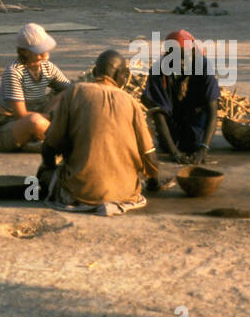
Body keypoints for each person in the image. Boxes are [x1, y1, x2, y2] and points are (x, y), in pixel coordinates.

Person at [39, 50, 162, 216]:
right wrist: (153, 182)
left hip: (81, 192)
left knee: (44, 175)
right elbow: (150, 157)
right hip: (125, 193)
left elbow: (51, 145)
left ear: (95, 72)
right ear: (122, 75)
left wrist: (49, 168)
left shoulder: (74, 93)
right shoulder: (131, 102)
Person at [0, 23, 72, 152]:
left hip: (41, 114)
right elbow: (21, 114)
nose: (45, 52)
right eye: (39, 49)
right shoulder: (14, 72)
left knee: (66, 94)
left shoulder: (47, 67)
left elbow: (70, 89)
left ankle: (43, 139)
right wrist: (53, 117)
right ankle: (59, 138)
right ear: (25, 52)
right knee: (35, 122)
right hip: (8, 126)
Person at [142, 29, 219, 165]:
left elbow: (212, 110)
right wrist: (174, 152)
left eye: (185, 58)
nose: (182, 63)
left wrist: (203, 149)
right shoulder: (158, 70)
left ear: (194, 53)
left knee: (194, 143)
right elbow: (159, 115)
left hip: (195, 117)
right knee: (168, 145)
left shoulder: (203, 65)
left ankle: (196, 143)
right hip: (173, 118)